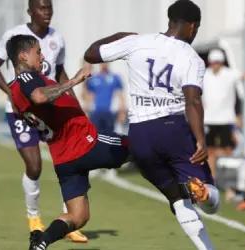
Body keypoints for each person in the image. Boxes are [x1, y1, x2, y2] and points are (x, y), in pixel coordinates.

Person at [84, 1, 220, 249]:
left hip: (140, 136)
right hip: (173, 130)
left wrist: (122, 37)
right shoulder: (191, 57)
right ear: (191, 26)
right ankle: (206, 195)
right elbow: (193, 100)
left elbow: (91, 53)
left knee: (177, 199)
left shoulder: (137, 42)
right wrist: (200, 139)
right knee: (211, 198)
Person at [3, 34, 129, 250]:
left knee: (78, 216)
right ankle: (184, 187)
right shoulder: (25, 80)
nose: (42, 56)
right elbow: (39, 97)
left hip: (64, 158)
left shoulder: (19, 88)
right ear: (23, 56)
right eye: (38, 52)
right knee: (139, 145)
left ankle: (41, 242)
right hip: (84, 142)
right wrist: (72, 81)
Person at [0, 0, 87, 242]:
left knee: (71, 159)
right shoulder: (15, 35)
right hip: (23, 110)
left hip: (51, 109)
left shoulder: (57, 38)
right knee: (34, 166)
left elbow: (59, 72)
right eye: (42, 9)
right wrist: (11, 93)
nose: (47, 13)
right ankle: (34, 217)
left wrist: (74, 103)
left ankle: (70, 220)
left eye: (50, 9)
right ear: (30, 11)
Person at [202, 49, 245, 176]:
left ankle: (227, 179)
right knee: (209, 151)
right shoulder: (204, 74)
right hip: (209, 119)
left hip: (226, 119)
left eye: (217, 62)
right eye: (213, 62)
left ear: (222, 62)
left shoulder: (230, 73)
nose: (215, 65)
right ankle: (212, 178)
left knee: (228, 150)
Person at [82, 63, 126, 134]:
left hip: (110, 113)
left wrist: (122, 112)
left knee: (109, 136)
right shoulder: (94, 78)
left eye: (106, 61)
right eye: (102, 62)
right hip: (96, 113)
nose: (104, 64)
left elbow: (120, 95)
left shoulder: (115, 77)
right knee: (96, 135)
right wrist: (85, 110)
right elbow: (89, 96)